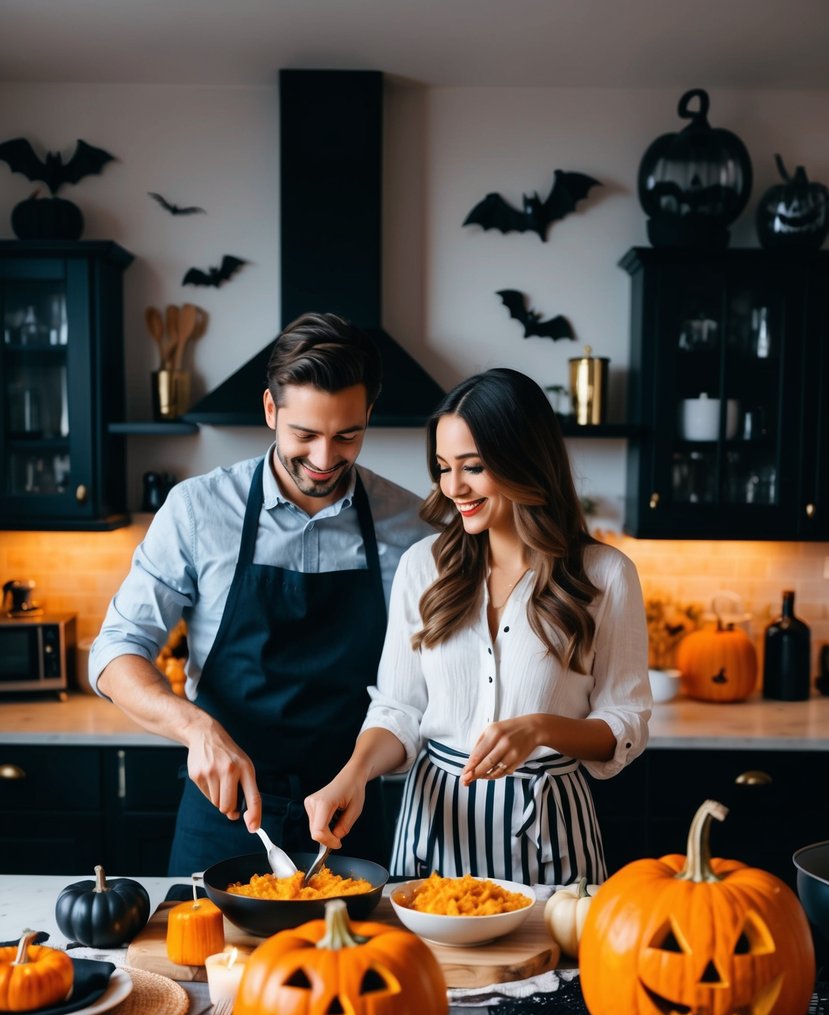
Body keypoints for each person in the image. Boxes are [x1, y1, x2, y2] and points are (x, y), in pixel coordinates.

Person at [90, 312, 432, 874]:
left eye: (347, 435)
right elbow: (115, 652)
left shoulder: (412, 526)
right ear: (271, 410)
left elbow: (424, 685)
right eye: (305, 435)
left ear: (369, 415)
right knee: (206, 963)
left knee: (355, 963)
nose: (325, 461)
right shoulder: (198, 510)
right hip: (223, 814)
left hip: (351, 810)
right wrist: (195, 728)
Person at [305, 367, 652, 885]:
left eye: (473, 467)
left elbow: (627, 721)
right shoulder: (423, 566)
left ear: (524, 461)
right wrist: (352, 775)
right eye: (443, 468)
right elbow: (400, 707)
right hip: (434, 831)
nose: (453, 487)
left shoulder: (606, 574)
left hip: (550, 834)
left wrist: (541, 727)